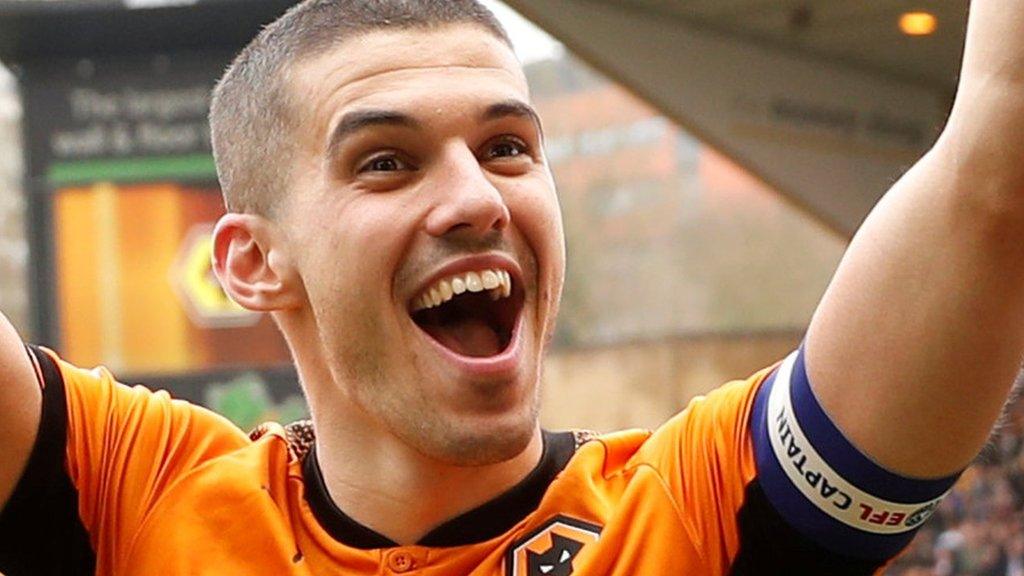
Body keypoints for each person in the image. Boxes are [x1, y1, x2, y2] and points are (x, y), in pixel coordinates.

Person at [1, 0, 1022, 574]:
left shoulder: (694, 512)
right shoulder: (133, 497)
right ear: (253, 263)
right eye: (386, 162)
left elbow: (996, 180)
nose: (476, 198)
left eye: (506, 146)